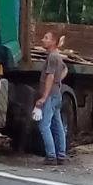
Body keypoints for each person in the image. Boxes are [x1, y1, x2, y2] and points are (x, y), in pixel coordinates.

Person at [35, 31, 68, 166]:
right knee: (58, 125)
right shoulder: (58, 57)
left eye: (46, 38)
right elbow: (65, 69)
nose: (43, 40)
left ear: (54, 42)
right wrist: (58, 83)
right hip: (57, 94)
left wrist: (44, 97)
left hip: (50, 95)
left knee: (44, 125)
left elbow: (50, 76)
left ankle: (51, 156)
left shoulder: (52, 57)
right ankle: (61, 154)